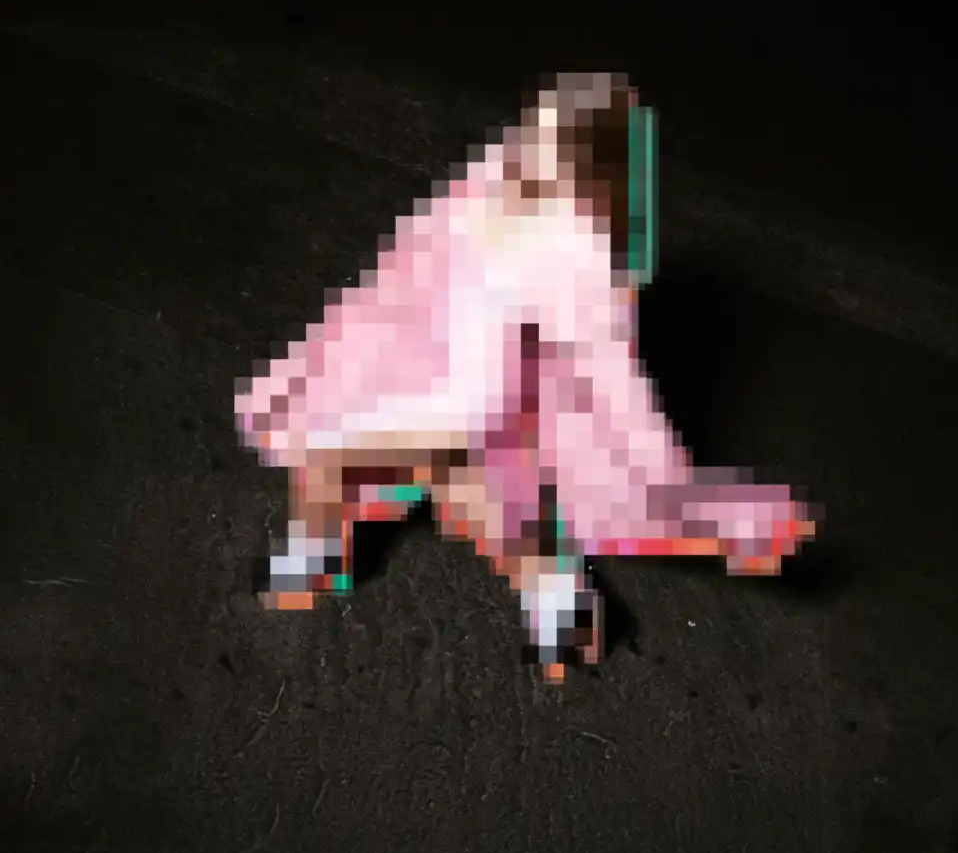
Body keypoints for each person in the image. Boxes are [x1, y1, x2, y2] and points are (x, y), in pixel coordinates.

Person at [234, 73, 816, 683]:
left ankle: (559, 606)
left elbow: (612, 391)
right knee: (331, 472)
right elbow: (393, 290)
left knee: (510, 516)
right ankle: (320, 553)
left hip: (489, 428)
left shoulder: (587, 281)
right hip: (404, 399)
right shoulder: (474, 209)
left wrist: (693, 511)